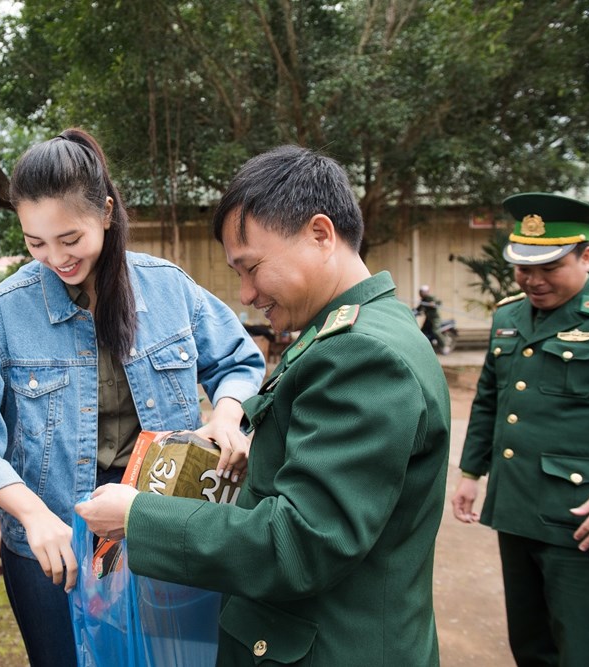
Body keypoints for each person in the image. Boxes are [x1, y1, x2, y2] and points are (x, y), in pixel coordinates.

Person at [77, 145, 451, 666]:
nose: (246, 293)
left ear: (320, 235)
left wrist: (140, 515)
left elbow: (300, 543)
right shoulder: (351, 330)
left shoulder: (361, 354)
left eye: (251, 268)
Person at [0, 128, 265, 666]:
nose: (55, 258)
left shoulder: (169, 289)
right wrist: (32, 514)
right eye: (36, 243)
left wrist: (227, 415)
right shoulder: (6, 313)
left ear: (105, 212)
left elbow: (239, 362)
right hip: (56, 549)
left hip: (160, 528)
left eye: (70, 239)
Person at [451, 192, 589, 666]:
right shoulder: (508, 316)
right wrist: (471, 475)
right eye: (523, 267)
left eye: (550, 267)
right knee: (530, 644)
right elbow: (490, 401)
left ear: (587, 256)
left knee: (583, 645)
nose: (533, 280)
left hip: (582, 519)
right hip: (516, 508)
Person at [417, 284, 449, 353]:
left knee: (435, 331)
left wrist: (434, 303)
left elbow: (439, 302)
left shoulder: (430, 297)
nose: (421, 293)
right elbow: (419, 308)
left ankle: (444, 346)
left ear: (426, 292)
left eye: (422, 292)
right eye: (420, 292)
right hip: (428, 319)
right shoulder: (423, 300)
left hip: (435, 319)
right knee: (422, 332)